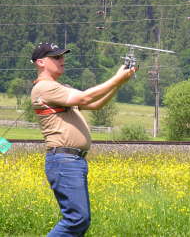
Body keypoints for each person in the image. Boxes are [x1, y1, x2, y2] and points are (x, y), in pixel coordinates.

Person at [31, 42, 136, 236]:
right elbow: (86, 98)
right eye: (55, 57)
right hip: (64, 160)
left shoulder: (57, 88)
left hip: (72, 160)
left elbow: (95, 104)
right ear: (40, 62)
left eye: (62, 56)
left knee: (81, 220)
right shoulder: (46, 88)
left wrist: (119, 83)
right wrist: (116, 78)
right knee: (76, 219)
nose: (62, 60)